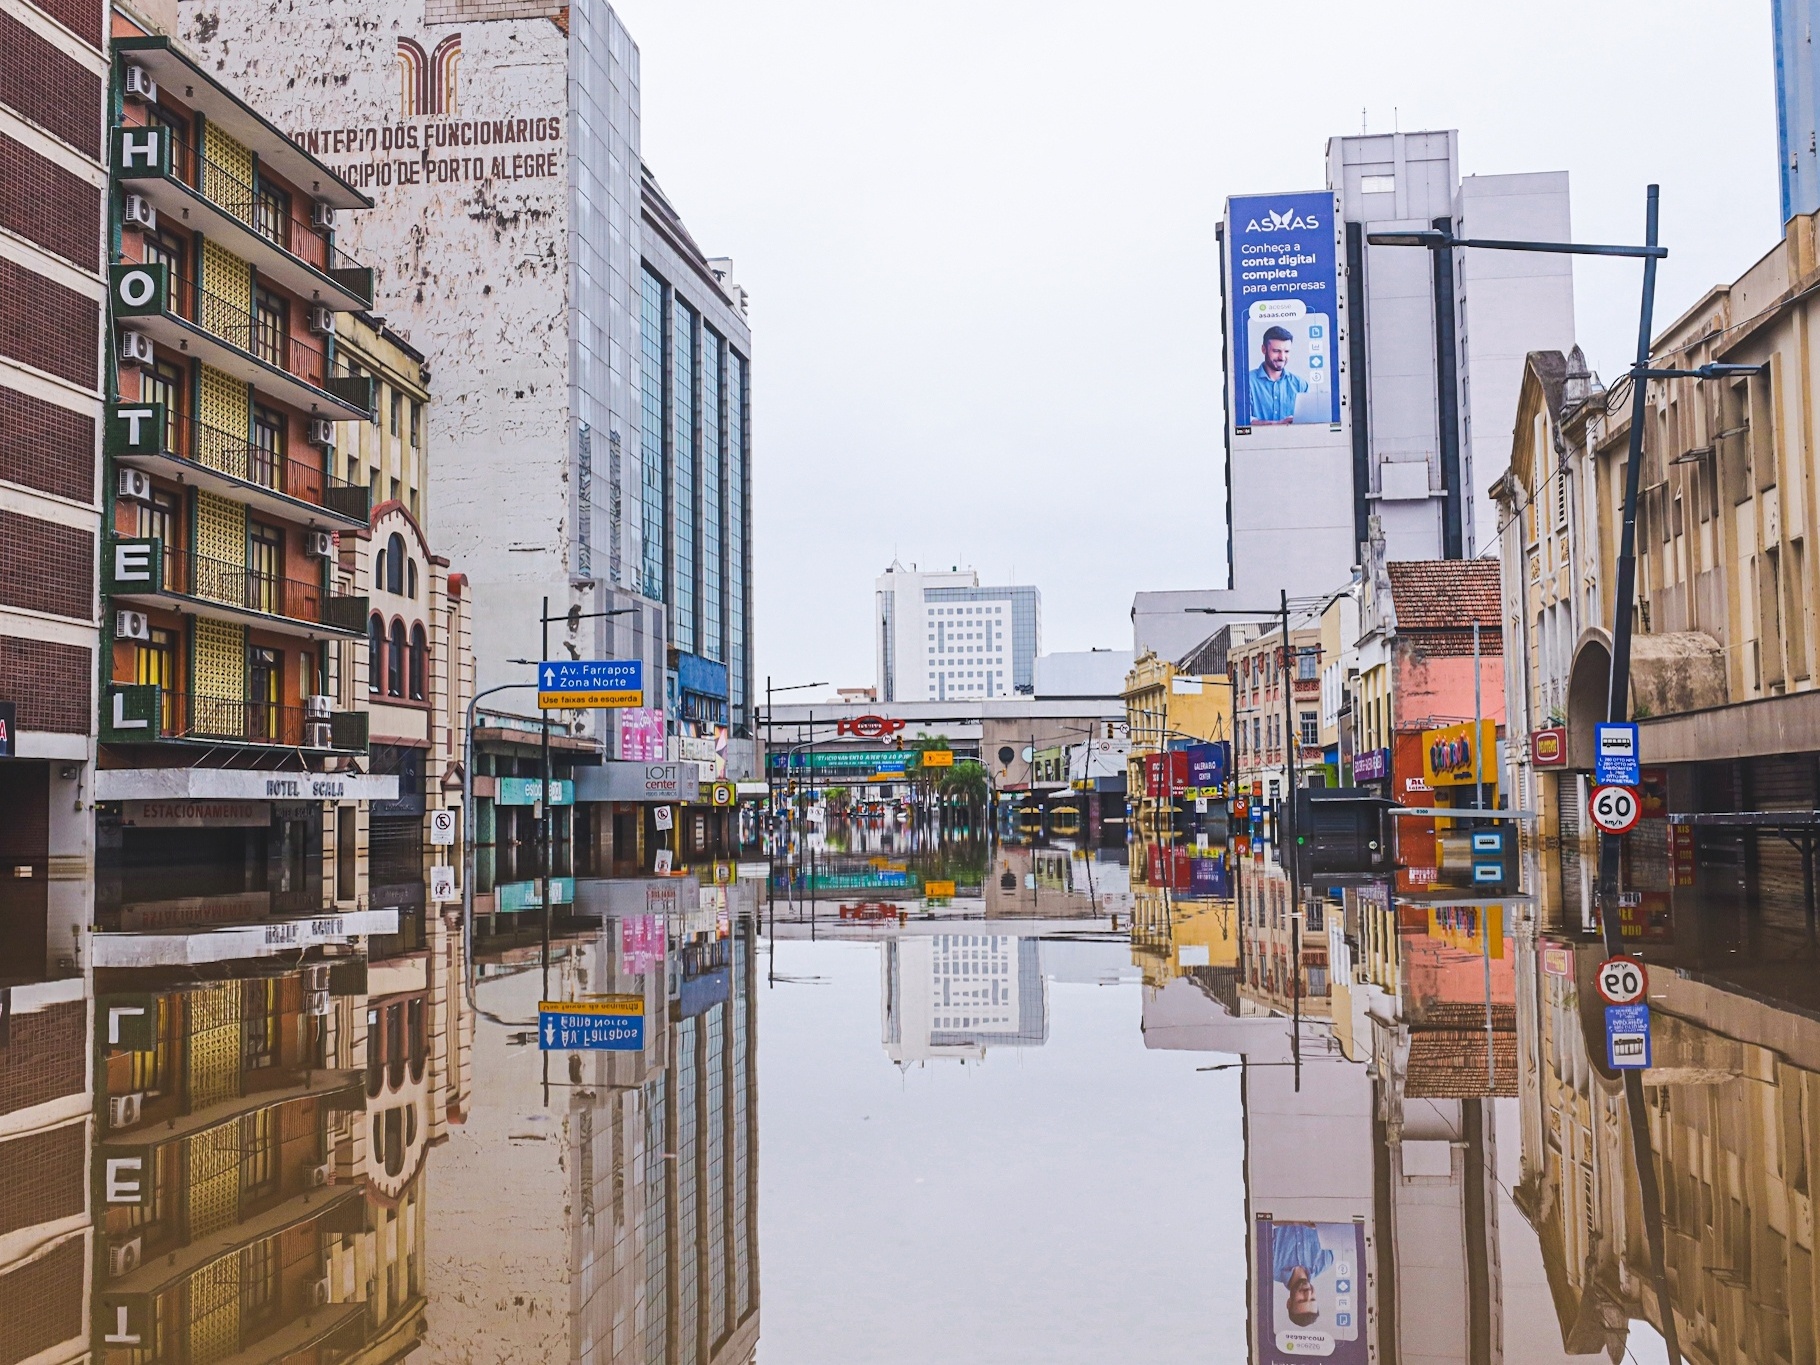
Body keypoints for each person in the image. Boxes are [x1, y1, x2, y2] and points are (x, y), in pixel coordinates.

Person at [1271, 1222, 1332, 1328]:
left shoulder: (1269, 1266)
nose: (1308, 1293)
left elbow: (1263, 1222)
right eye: (1312, 1299)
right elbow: (1333, 1222)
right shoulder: (1326, 1261)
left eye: (1302, 1300)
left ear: (1289, 1303)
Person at [1248, 325, 1307, 425]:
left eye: (1287, 351)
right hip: (1257, 440)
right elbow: (1243, 420)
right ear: (1264, 349)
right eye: (1276, 351)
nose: (1282, 357)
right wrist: (1276, 424)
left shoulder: (1301, 384)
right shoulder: (1247, 382)